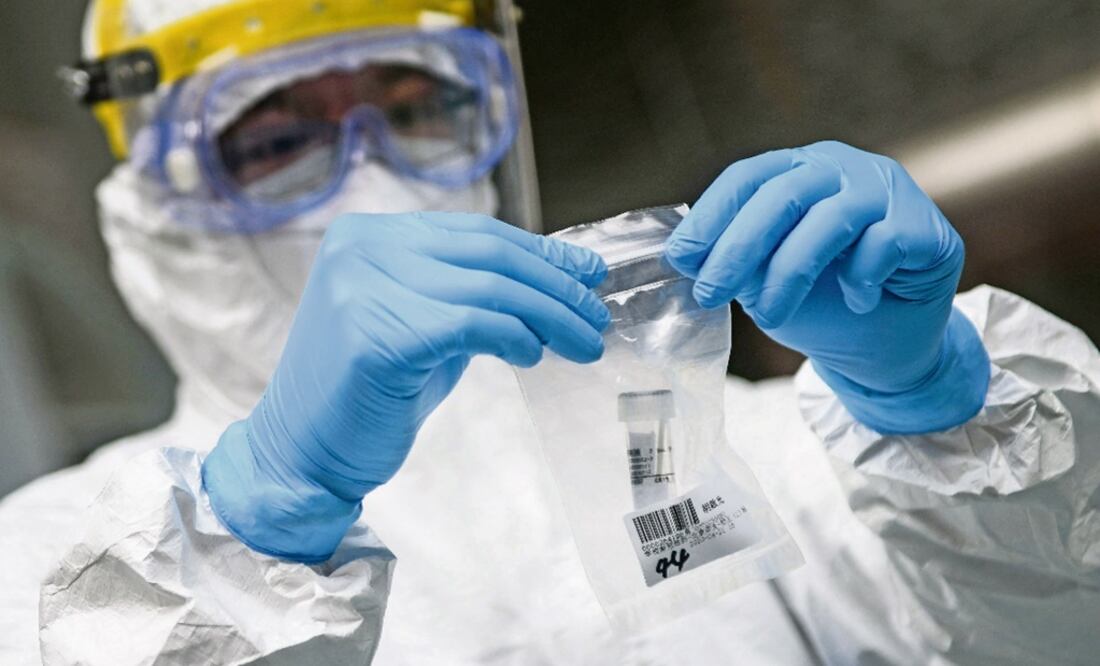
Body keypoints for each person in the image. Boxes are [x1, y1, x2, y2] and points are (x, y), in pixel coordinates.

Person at [0, 0, 1096, 663]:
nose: (371, 175)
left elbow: (1057, 637)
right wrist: (263, 518)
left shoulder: (748, 457)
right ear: (159, 207)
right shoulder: (62, 565)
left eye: (417, 107)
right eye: (274, 140)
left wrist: (937, 413)